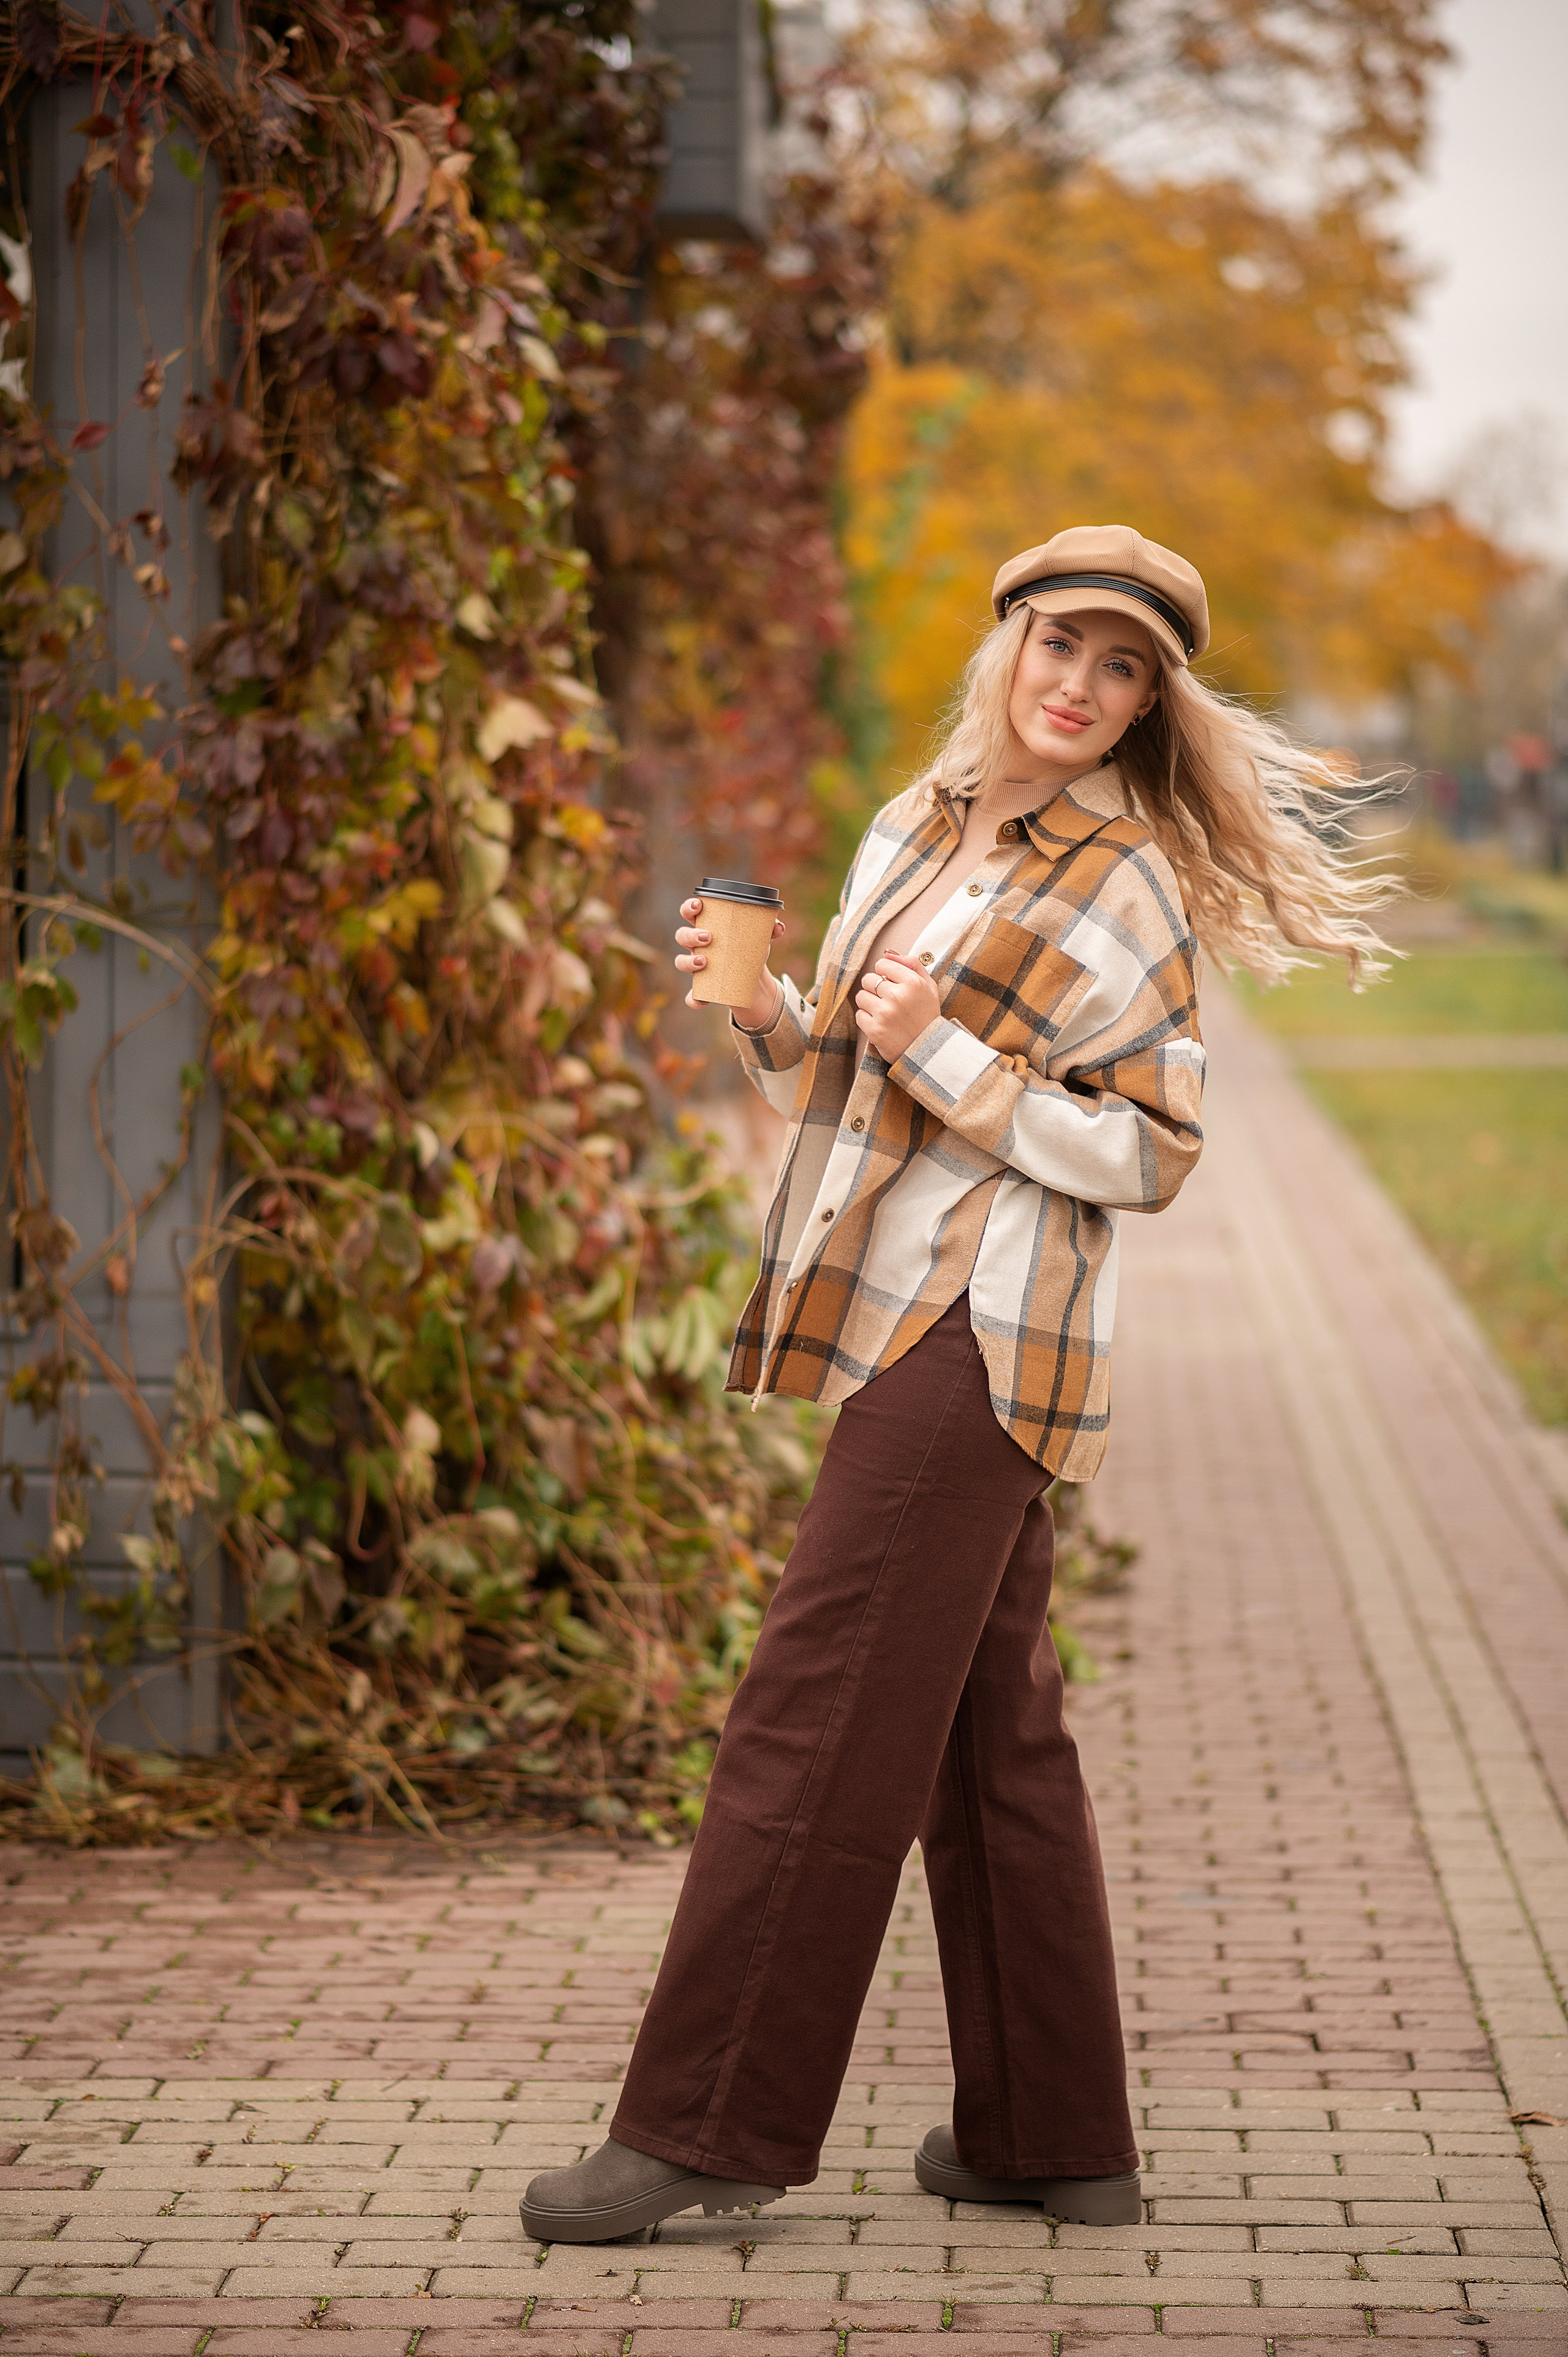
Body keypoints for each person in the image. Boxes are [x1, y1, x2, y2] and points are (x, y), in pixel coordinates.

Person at [521, 524, 1396, 2245]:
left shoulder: (1123, 885)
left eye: (1124, 665)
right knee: (993, 1740)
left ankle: (706, 2124)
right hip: (888, 1311)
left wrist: (942, 1050)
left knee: (816, 1705)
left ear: (1152, 703)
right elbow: (840, 1102)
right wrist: (773, 1013)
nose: (1081, 684)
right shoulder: (907, 834)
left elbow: (1150, 1153)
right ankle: (1051, 2134)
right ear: (1004, 649)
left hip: (982, 1332)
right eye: (1061, 644)